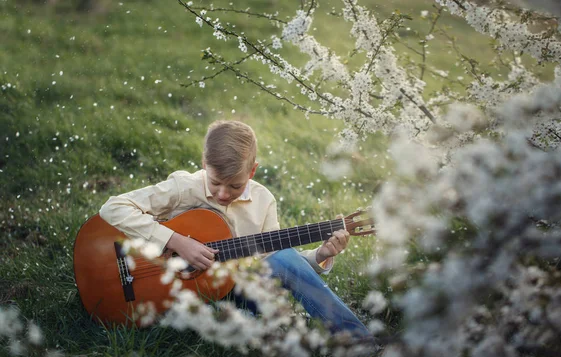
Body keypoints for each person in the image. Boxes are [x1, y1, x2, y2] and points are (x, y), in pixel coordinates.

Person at [99, 120, 371, 339]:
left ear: (252, 172)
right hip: (181, 293)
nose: (222, 194)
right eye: (215, 182)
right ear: (205, 165)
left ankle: (358, 342)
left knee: (284, 258)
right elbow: (113, 208)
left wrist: (320, 255)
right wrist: (176, 241)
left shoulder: (263, 201)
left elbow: (276, 261)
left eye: (235, 186)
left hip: (238, 293)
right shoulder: (184, 188)